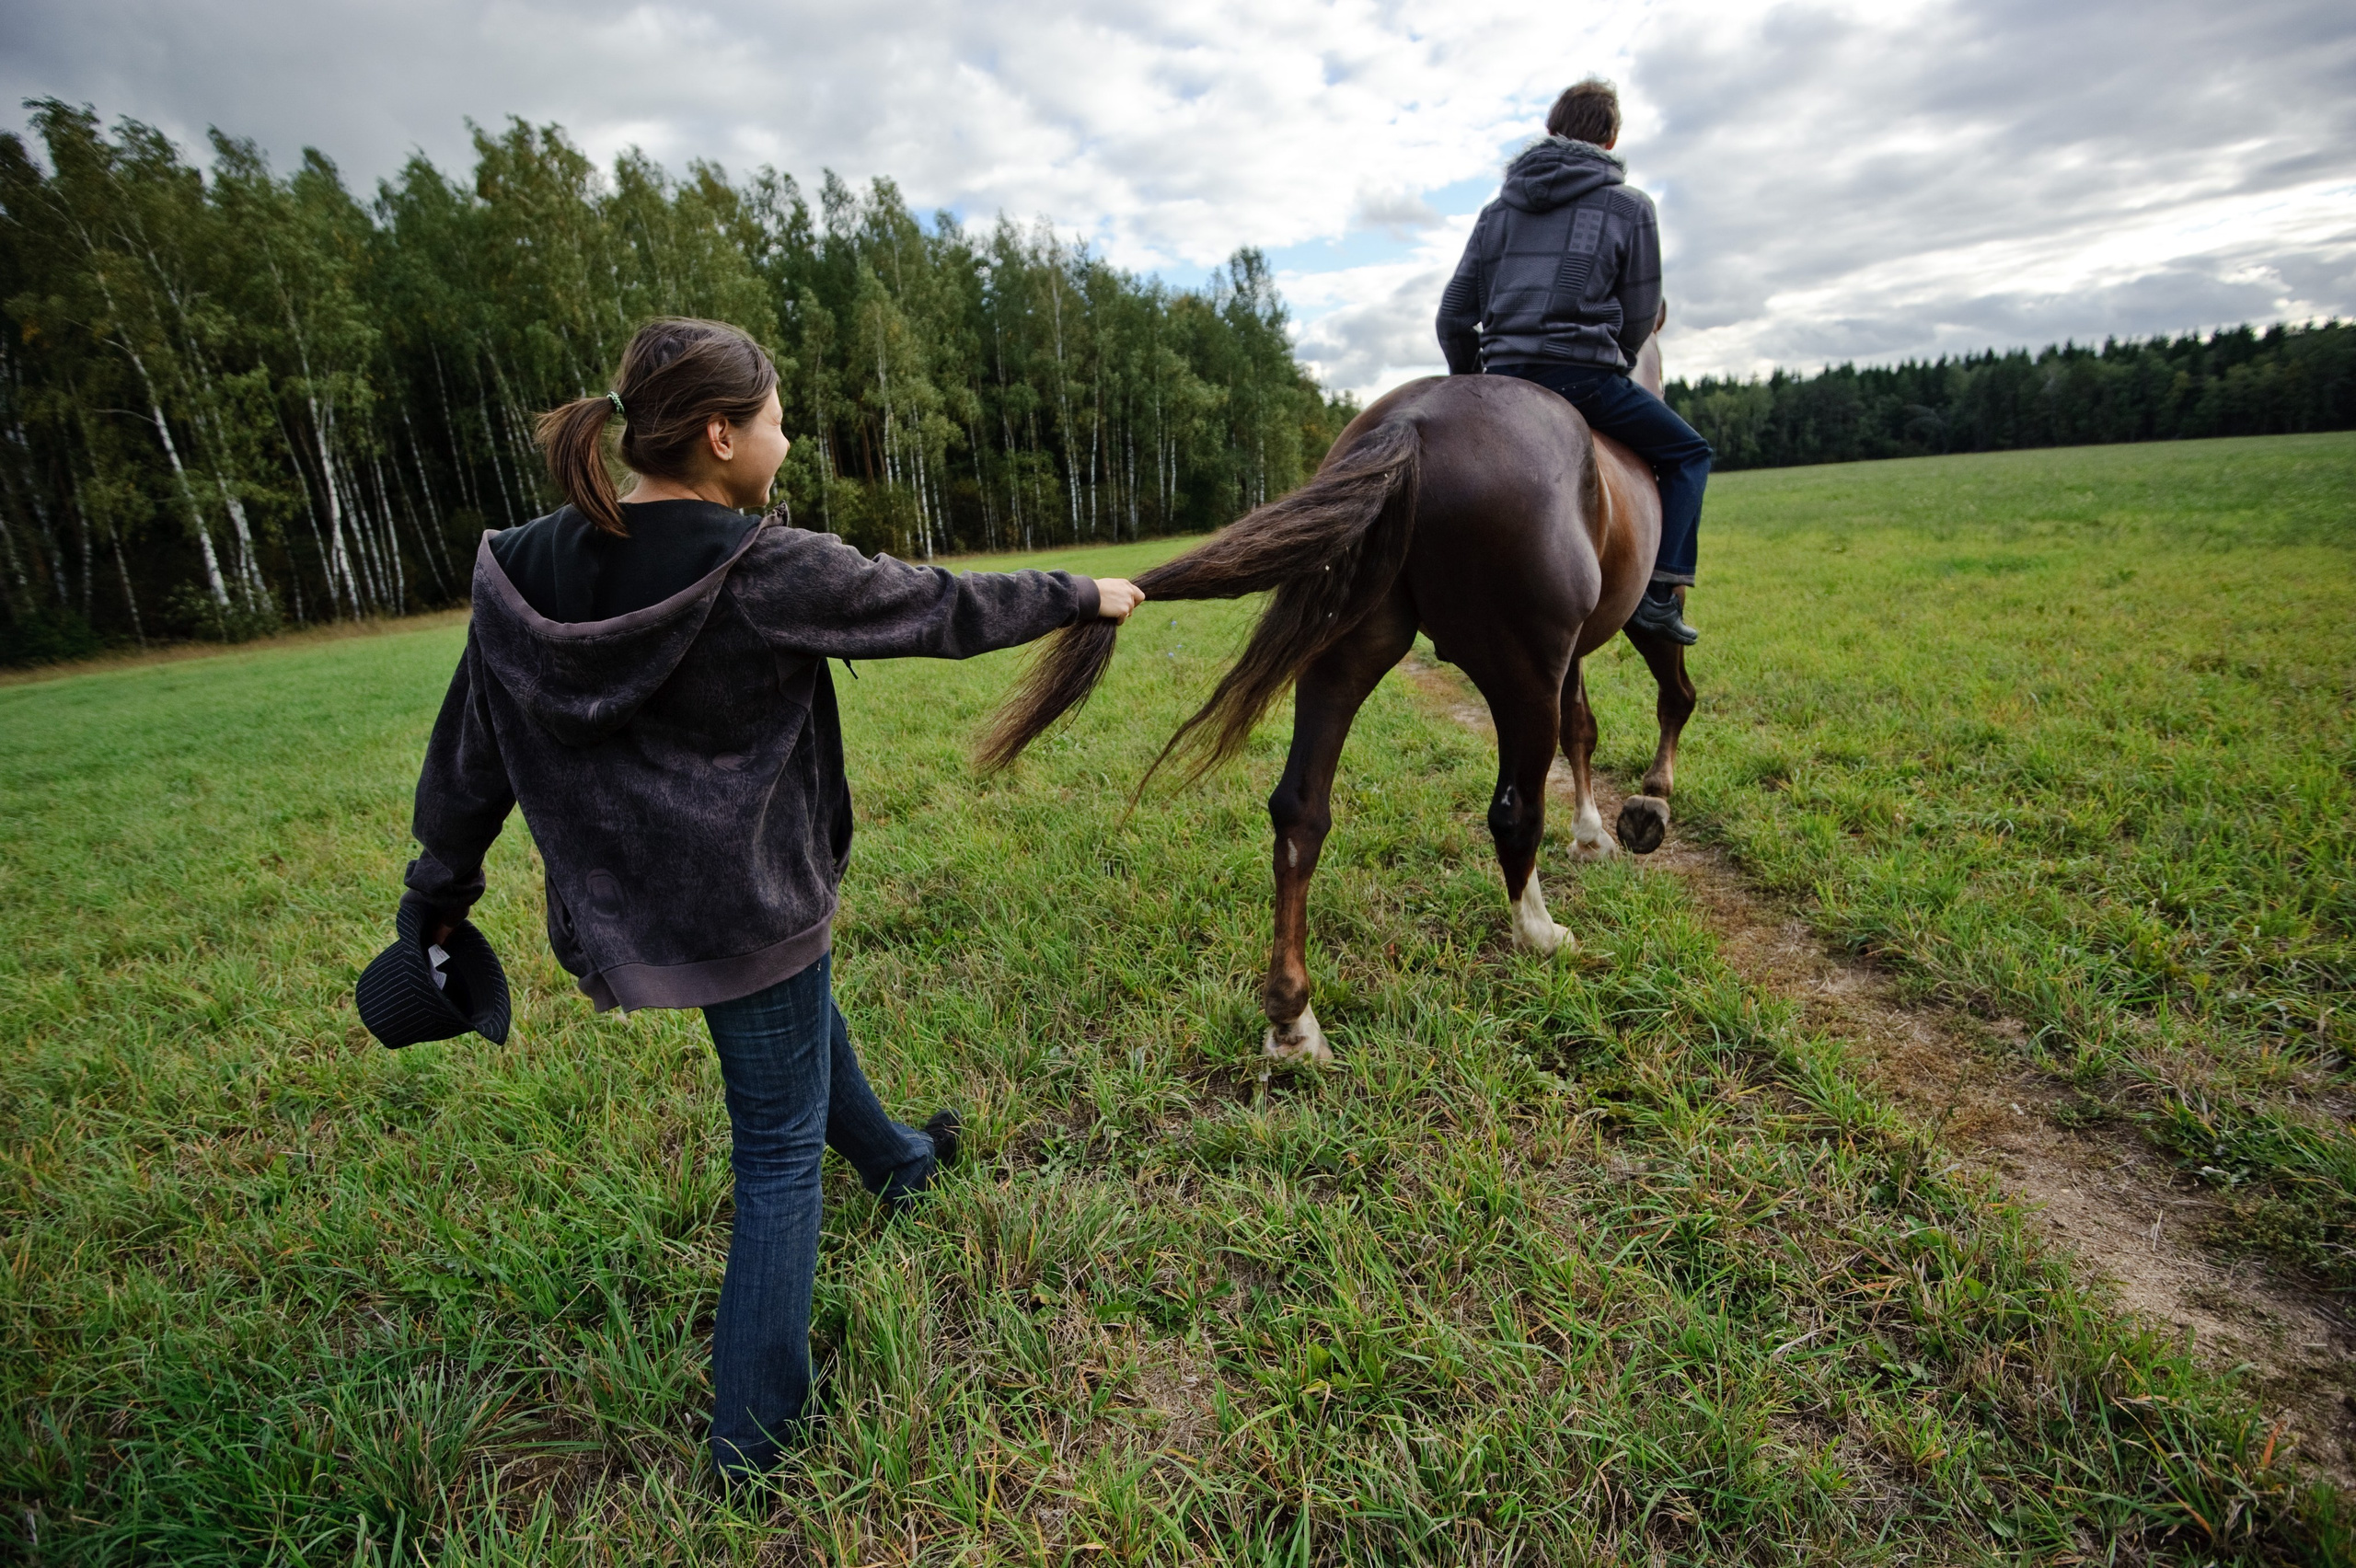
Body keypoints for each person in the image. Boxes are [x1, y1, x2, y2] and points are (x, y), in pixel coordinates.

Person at [395, 317, 1144, 1486]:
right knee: (778, 1152)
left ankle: (898, 1162)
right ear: (719, 434)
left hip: (631, 911)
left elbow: (470, 746)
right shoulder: (760, 566)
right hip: (745, 903)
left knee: (792, 1037)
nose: (787, 440)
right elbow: (939, 608)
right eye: (778, 419)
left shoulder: (522, 566)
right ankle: (753, 1446)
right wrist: (1080, 594)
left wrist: (436, 890)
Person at [1436, 76, 1709, 644]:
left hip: (1503, 384)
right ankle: (1658, 596)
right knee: (1689, 453)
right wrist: (1614, 359)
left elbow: (1453, 316)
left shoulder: (1497, 212)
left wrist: (1474, 389)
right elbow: (1639, 314)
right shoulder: (1631, 207)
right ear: (1610, 140)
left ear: (1550, 130)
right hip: (1583, 382)